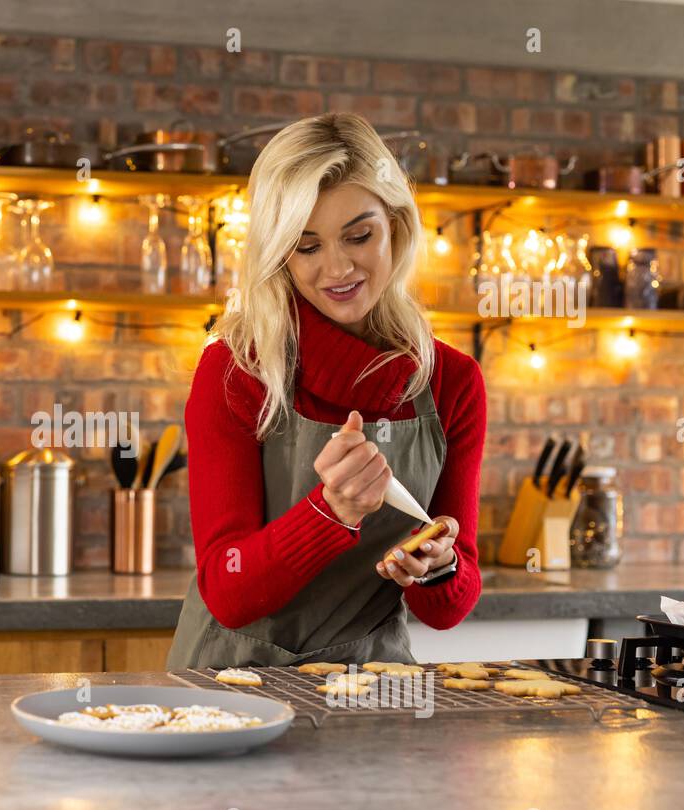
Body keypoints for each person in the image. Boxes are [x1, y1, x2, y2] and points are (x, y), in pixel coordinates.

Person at [167, 112, 486, 669]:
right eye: (306, 246)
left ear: (397, 226)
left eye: (359, 235)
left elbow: (448, 610)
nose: (337, 267)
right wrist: (330, 512)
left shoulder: (451, 382)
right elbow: (227, 588)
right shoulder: (235, 370)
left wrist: (438, 565)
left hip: (377, 686)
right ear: (278, 254)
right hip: (234, 684)